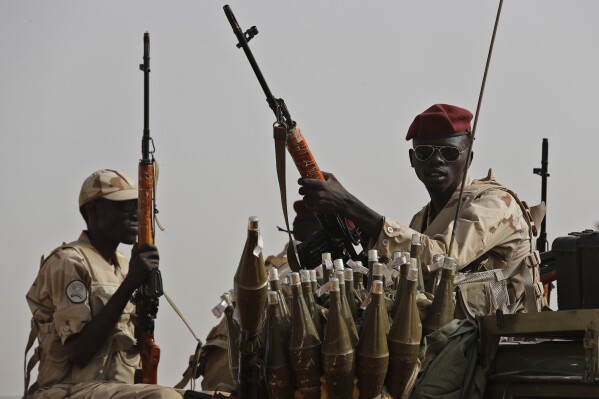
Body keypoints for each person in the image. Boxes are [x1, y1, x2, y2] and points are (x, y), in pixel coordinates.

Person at [298, 104, 546, 316]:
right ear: (412, 159)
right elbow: (404, 275)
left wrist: (349, 205)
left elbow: (443, 259)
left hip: (508, 341)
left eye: (449, 152)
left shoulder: (495, 204)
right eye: (424, 152)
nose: (436, 160)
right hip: (453, 338)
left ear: (469, 158)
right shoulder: (422, 219)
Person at [24, 169, 185, 399]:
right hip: (67, 389)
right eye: (123, 205)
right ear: (94, 210)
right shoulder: (69, 261)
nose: (135, 214)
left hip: (113, 390)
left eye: (136, 206)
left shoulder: (125, 265)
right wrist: (130, 284)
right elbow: (79, 352)